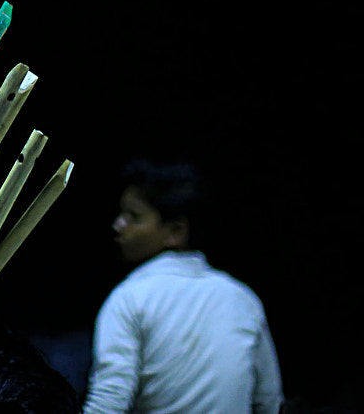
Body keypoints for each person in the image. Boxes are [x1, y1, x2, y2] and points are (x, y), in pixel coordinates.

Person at [83, 159, 283, 414]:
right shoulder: (242, 299)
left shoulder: (129, 299)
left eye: (133, 216)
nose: (118, 225)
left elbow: (107, 404)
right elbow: (270, 404)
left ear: (175, 232)